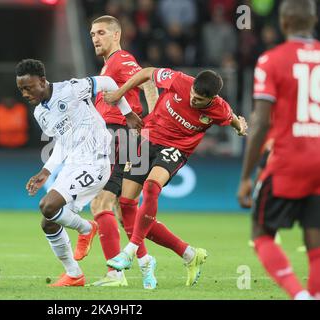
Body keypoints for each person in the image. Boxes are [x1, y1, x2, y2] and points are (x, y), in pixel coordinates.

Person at [104, 67, 248, 286]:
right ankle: (189, 254)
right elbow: (147, 73)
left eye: (199, 100)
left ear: (212, 99)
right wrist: (118, 93)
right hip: (147, 136)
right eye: (192, 94)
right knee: (126, 206)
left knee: (152, 187)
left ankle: (130, 250)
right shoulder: (179, 80)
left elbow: (234, 121)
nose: (193, 99)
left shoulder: (220, 109)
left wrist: (240, 128)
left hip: (175, 148)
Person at [16, 59, 142, 287]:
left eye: (29, 87)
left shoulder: (71, 88)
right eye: (21, 89)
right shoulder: (40, 114)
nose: (25, 93)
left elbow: (109, 82)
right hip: (73, 164)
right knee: (48, 222)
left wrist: (128, 113)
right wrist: (46, 171)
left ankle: (87, 228)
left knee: (47, 206)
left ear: (42, 81)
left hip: (96, 161)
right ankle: (74, 274)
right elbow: (63, 142)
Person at [237, 0, 320, 300]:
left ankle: (299, 296)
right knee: (316, 242)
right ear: (313, 21)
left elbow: (259, 123)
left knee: (261, 234)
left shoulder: (271, 60)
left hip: (288, 160)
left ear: (284, 23)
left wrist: (247, 176)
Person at [87, 15, 160, 289]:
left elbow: (149, 81)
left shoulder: (121, 59)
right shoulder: (108, 66)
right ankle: (146, 262)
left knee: (100, 203)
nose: (95, 37)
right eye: (93, 33)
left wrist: (154, 122)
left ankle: (115, 275)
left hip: (121, 136)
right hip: (123, 137)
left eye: (101, 32)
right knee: (123, 210)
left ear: (116, 35)